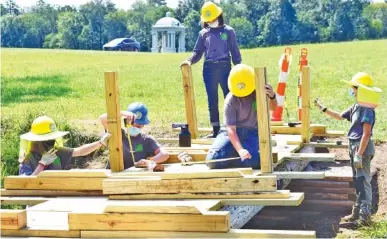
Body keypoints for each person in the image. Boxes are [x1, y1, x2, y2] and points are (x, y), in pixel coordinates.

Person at [314, 72, 381, 228]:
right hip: (353, 145)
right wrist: (323, 108)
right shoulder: (356, 106)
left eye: (353, 87)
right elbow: (339, 116)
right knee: (357, 181)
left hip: (361, 147)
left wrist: (359, 154)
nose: (351, 89)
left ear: (360, 89)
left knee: (363, 181)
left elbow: (366, 134)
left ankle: (365, 218)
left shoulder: (367, 110)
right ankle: (356, 213)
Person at [181, 1, 242, 138]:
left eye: (212, 19)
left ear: (219, 16)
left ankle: (232, 129)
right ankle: (215, 131)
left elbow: (235, 52)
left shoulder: (229, 31)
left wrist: (239, 68)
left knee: (230, 98)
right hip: (209, 69)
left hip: (225, 67)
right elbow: (197, 52)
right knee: (212, 101)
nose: (210, 22)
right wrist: (189, 61)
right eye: (207, 20)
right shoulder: (203, 33)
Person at [206, 64, 277, 169]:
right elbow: (231, 129)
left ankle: (241, 157)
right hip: (230, 133)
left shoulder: (258, 93)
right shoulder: (231, 100)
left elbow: (273, 108)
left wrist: (272, 96)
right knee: (213, 160)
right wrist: (240, 150)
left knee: (252, 162)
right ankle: (238, 156)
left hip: (251, 132)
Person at [18, 116, 111, 176]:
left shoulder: (56, 152)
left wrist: (100, 143)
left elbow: (80, 151)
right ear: (37, 141)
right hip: (35, 203)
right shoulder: (28, 159)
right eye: (47, 140)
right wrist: (42, 164)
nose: (51, 142)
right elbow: (26, 183)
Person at [100, 102, 169, 170]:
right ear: (126, 122)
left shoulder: (147, 140)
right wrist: (122, 113)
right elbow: (103, 118)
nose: (135, 128)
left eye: (139, 126)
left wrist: (150, 161)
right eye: (134, 125)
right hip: (113, 176)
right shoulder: (117, 134)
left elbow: (164, 154)